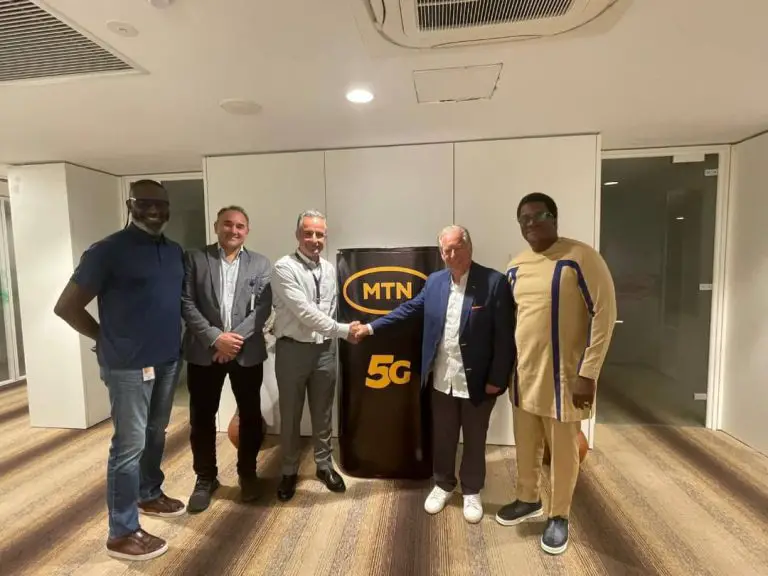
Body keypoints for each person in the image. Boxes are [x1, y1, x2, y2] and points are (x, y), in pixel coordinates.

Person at [53, 180, 186, 561]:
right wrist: (104, 337)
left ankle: (149, 493)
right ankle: (122, 532)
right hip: (128, 366)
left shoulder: (173, 251)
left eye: (160, 204)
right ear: (130, 205)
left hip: (166, 360)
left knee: (156, 433)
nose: (154, 210)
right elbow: (66, 307)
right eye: (145, 203)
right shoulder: (107, 250)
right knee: (129, 447)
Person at [353, 225, 515, 523]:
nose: (451, 255)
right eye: (445, 250)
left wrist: (498, 379)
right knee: (444, 436)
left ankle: (471, 490)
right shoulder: (435, 281)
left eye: (456, 248)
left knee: (475, 437)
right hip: (441, 378)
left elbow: (505, 336)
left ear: (469, 247)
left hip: (478, 381)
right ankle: (443, 484)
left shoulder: (494, 282)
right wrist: (371, 327)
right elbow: (408, 310)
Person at [495, 193, 617, 555]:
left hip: (565, 378)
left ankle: (559, 514)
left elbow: (605, 314)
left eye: (538, 215)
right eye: (524, 218)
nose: (531, 223)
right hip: (524, 375)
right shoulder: (515, 265)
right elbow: (511, 321)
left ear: (554, 217)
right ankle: (528, 498)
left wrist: (589, 373)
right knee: (525, 443)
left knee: (563, 450)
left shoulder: (581, 257)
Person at [181, 206, 272, 512]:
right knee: (201, 417)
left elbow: (263, 308)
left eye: (240, 226)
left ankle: (248, 474)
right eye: (228, 224)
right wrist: (214, 338)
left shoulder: (260, 263)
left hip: (246, 352)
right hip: (203, 351)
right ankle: (205, 478)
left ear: (247, 230)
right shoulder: (195, 258)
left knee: (250, 415)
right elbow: (186, 302)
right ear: (216, 226)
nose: (234, 230)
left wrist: (231, 341)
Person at [270, 210, 358, 501]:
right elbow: (305, 312)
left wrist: (335, 333)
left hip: (324, 351)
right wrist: (343, 331)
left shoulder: (330, 269)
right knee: (291, 414)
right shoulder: (283, 268)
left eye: (320, 234)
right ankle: (288, 471)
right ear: (298, 235)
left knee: (323, 412)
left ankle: (324, 465)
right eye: (308, 233)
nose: (314, 239)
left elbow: (330, 307)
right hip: (292, 351)